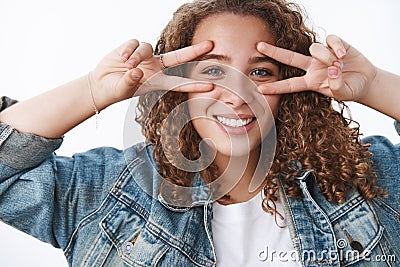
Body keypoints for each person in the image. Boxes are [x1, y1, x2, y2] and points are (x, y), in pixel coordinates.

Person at [0, 0, 399, 266]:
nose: (237, 96)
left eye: (260, 72)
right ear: (179, 85)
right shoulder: (107, 189)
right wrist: (92, 90)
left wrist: (375, 85)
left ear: (290, 87)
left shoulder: (369, 178)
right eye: (213, 71)